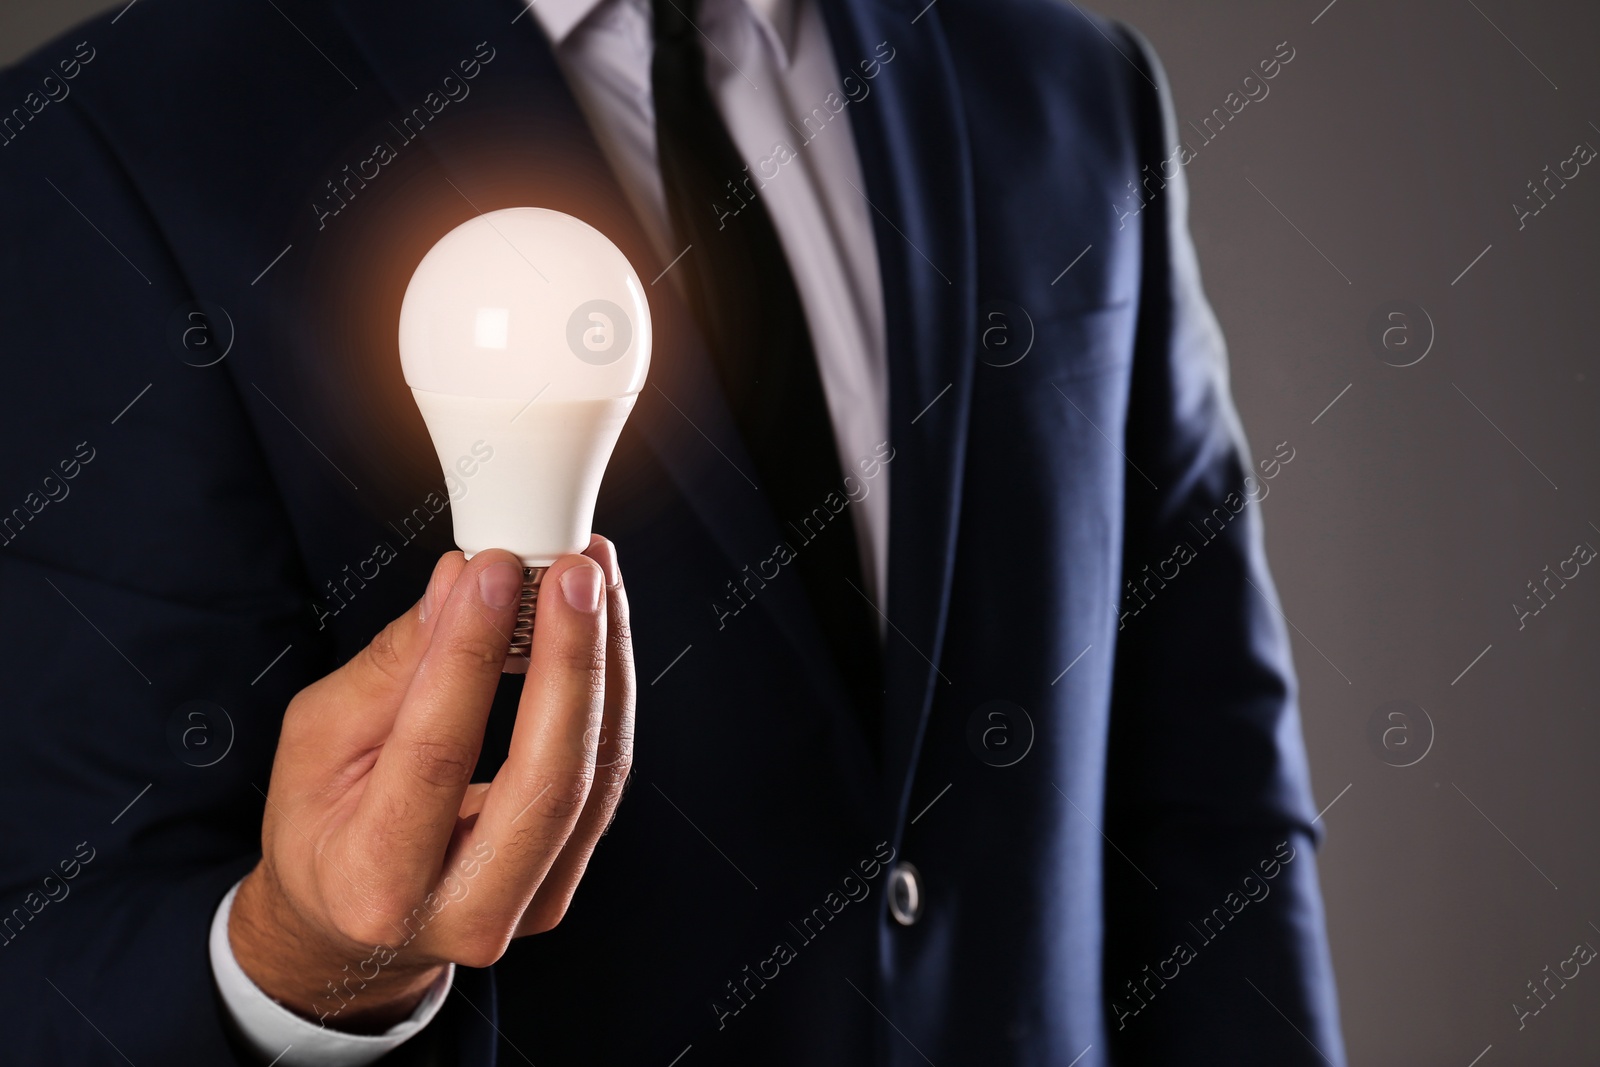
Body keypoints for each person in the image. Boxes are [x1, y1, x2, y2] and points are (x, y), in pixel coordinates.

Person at [0, 0, 1346, 1063]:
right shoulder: (113, 142)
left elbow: (1211, 791)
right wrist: (300, 963)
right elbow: (59, 952)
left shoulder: (1066, 90)